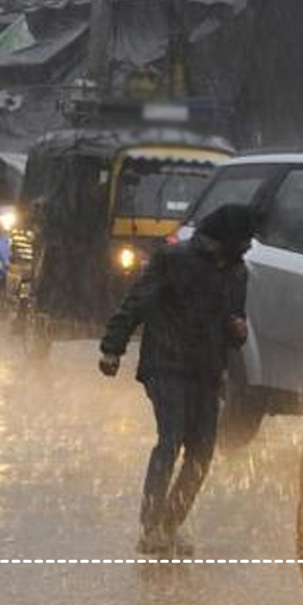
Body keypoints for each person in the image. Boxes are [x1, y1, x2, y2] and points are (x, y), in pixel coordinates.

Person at [99, 204, 256, 555]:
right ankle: (151, 526)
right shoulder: (174, 260)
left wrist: (238, 331)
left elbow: (236, 325)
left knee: (201, 452)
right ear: (224, 240)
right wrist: (113, 348)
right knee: (169, 440)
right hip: (165, 365)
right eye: (242, 241)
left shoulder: (238, 273)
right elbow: (137, 302)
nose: (247, 248)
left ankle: (170, 525)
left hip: (208, 371)